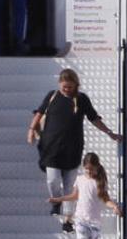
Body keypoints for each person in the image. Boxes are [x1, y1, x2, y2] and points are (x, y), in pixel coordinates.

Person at [27, 68, 121, 216]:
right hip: (51, 147)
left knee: (70, 186)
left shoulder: (82, 99)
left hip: (72, 148)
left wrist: (110, 133)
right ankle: (57, 201)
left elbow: (94, 118)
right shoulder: (52, 96)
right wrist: (31, 129)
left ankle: (68, 219)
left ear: (76, 85)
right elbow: (39, 113)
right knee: (52, 180)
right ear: (59, 84)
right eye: (64, 86)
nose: (67, 90)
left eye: (70, 87)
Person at [49, 153, 122, 239]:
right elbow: (74, 196)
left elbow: (105, 199)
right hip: (81, 219)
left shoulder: (100, 182)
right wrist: (58, 199)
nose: (89, 171)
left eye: (91, 169)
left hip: (94, 221)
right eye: (86, 168)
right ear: (83, 167)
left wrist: (114, 207)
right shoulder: (80, 179)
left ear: (97, 168)